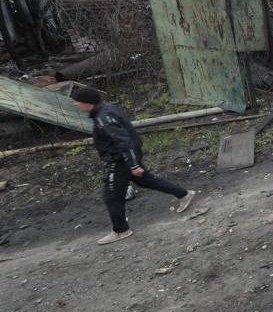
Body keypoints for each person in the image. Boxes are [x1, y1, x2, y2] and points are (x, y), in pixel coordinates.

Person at [71, 86, 197, 245]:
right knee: (147, 180)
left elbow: (123, 141)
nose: (75, 104)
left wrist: (133, 165)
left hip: (121, 161)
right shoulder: (107, 109)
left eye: (78, 102)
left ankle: (120, 230)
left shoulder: (104, 118)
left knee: (112, 197)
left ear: (88, 103)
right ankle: (184, 194)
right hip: (127, 158)